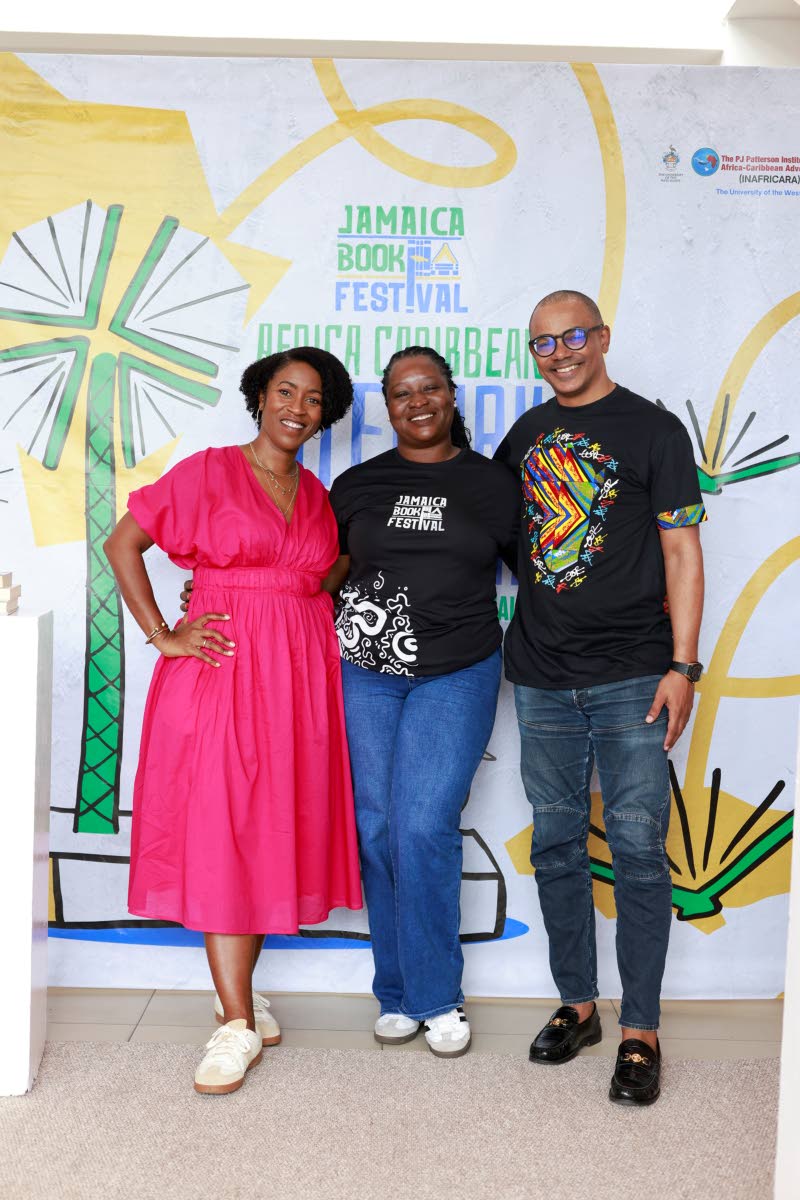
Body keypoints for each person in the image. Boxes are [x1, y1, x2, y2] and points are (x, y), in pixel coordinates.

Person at [104, 348, 362, 1095]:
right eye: (285, 391)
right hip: (220, 673)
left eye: (315, 399)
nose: (298, 407)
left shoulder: (315, 494)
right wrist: (163, 632)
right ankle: (235, 1025)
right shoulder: (208, 471)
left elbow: (322, 572)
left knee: (266, 826)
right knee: (224, 826)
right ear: (258, 397)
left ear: (327, 413)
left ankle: (241, 997)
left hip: (295, 684)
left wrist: (300, 607)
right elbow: (123, 543)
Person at [494, 290, 705, 1106]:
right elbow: (503, 539)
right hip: (542, 679)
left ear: (603, 337)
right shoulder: (524, 437)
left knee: (642, 853)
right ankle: (578, 1005)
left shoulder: (653, 430)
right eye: (544, 342)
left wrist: (683, 666)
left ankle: (641, 1028)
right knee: (556, 848)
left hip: (632, 679)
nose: (561, 352)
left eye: (574, 336)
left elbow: (682, 552)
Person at [327, 346, 519, 1057]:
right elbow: (321, 571)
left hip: (458, 670)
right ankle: (398, 993)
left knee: (422, 824)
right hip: (367, 671)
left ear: (449, 394)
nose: (416, 401)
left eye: (428, 388)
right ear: (388, 404)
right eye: (401, 392)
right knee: (376, 828)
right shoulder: (357, 485)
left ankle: (438, 995)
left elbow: (542, 573)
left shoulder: (492, 485)